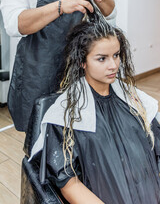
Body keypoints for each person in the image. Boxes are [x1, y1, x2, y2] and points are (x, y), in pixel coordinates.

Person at [29, 17, 160, 203]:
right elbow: (68, 182)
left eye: (116, 55)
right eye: (102, 59)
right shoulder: (66, 113)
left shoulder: (134, 99)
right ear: (83, 62)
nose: (114, 65)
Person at [0, 0, 116, 132]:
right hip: (36, 75)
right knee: (40, 137)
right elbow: (15, 24)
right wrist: (61, 6)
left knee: (76, 131)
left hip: (74, 73)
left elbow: (111, 13)